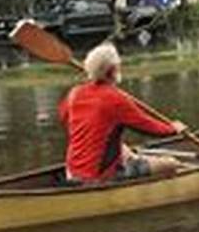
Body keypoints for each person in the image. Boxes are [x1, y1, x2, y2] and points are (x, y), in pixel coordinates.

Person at [58, 42, 187, 184]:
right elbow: (149, 127)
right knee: (171, 164)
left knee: (124, 148)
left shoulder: (74, 93)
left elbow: (66, 120)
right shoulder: (116, 98)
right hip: (98, 176)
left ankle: (130, 161)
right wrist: (173, 129)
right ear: (113, 70)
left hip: (71, 172)